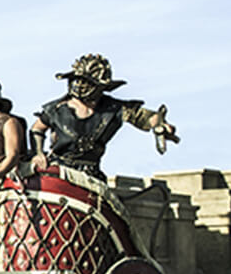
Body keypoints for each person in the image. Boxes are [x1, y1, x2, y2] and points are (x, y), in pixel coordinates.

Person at [30, 53, 178, 181]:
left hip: (92, 175)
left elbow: (143, 116)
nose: (80, 85)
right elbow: (37, 128)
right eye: (78, 80)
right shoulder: (56, 109)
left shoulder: (113, 109)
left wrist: (159, 124)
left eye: (86, 82)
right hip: (59, 171)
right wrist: (38, 153)